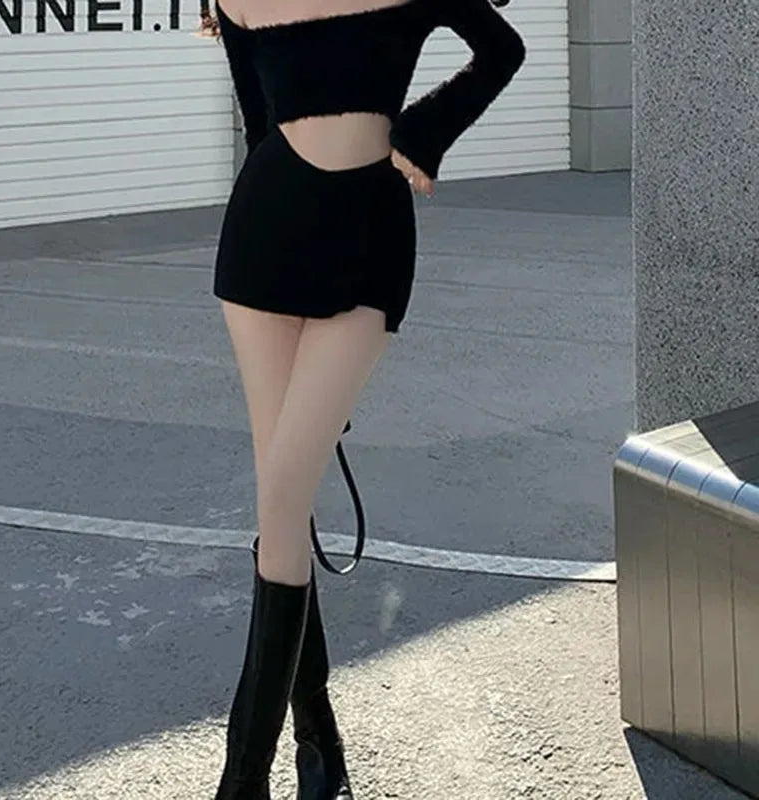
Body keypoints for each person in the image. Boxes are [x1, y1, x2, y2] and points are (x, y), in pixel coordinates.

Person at [197, 1, 526, 797]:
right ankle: (316, 743)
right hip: (264, 238)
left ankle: (246, 779)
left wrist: (424, 132)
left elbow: (500, 49)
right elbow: (258, 123)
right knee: (283, 502)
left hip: (367, 240)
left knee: (283, 499)